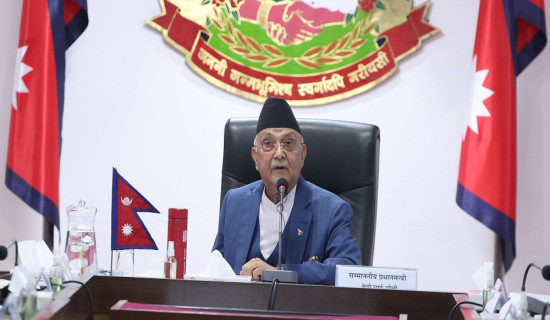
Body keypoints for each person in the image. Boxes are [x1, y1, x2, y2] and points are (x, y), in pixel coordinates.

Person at [212, 97, 361, 285]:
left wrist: (281, 273)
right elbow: (216, 267)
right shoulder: (234, 202)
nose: (279, 153)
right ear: (255, 157)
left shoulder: (333, 209)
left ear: (303, 154)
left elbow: (348, 268)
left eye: (288, 143)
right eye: (268, 144)